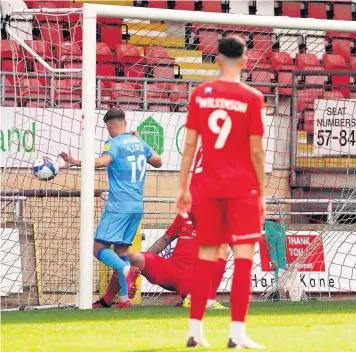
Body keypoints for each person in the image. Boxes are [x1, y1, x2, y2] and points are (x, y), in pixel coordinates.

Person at [176, 36, 266, 349]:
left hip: (208, 187)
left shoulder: (200, 94)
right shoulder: (252, 97)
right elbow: (256, 151)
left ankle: (195, 331)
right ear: (244, 60)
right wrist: (263, 193)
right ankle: (237, 334)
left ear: (217, 60)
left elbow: (190, 145)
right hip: (242, 188)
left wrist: (183, 186)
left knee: (205, 258)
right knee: (243, 258)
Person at [60, 107, 162, 308]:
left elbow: (104, 161)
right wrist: (140, 140)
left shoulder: (113, 144)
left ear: (108, 125)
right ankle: (124, 299)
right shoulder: (140, 142)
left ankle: (126, 271)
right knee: (122, 250)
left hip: (119, 205)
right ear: (125, 122)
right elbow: (158, 161)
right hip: (136, 206)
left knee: (98, 248)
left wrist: (76, 162)